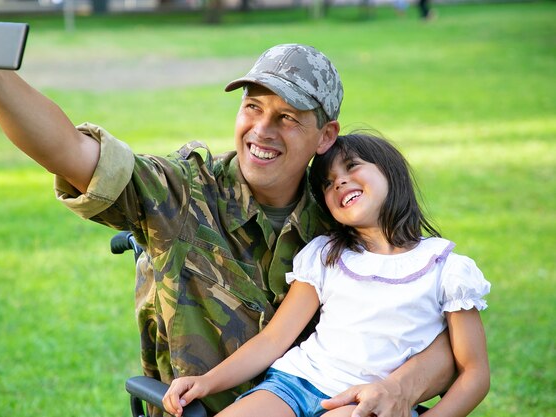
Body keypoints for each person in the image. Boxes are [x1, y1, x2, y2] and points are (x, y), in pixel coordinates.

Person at [0, 11, 456, 417]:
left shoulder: (345, 214)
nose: (262, 131)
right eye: (252, 106)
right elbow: (71, 152)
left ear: (326, 136)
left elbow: (444, 331)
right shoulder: (183, 192)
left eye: (287, 118)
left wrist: (399, 387)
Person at [163, 132, 491, 417]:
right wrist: (207, 382)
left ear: (393, 174)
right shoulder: (325, 255)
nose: (340, 182)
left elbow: (474, 373)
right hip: (293, 384)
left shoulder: (446, 269)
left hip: (363, 400)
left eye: (351, 167)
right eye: (328, 183)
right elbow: (273, 340)